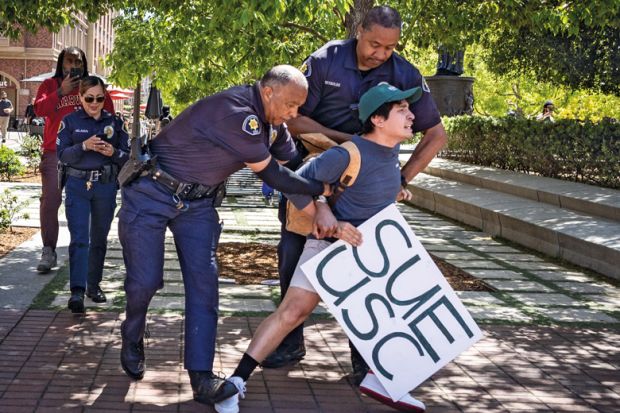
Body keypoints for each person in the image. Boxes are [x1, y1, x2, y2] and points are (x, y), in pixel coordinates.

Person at [118, 65, 330, 407]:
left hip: (199, 204)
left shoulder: (273, 125)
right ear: (268, 92)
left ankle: (202, 378)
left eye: (298, 108)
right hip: (151, 194)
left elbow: (295, 166)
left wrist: (321, 201)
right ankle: (132, 335)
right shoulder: (237, 113)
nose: (295, 114)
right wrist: (321, 189)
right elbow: (276, 176)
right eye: (291, 105)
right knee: (146, 281)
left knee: (205, 285)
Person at [215, 83, 432, 413]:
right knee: (291, 314)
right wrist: (324, 210)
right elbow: (295, 184)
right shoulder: (348, 153)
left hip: (368, 257)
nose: (412, 115)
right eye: (402, 109)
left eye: (408, 108)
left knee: (390, 316)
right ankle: (234, 383)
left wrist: (395, 193)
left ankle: (383, 379)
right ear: (377, 119)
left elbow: (367, 193)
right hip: (329, 252)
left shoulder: (390, 155)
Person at [267, 5, 448, 385]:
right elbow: (293, 118)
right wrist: (352, 143)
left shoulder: (405, 74)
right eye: (374, 44)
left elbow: (436, 135)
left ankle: (367, 358)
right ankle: (289, 342)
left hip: (368, 191)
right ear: (358, 31)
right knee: (293, 258)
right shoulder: (325, 60)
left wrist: (401, 177)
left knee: (370, 275)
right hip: (315, 178)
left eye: (390, 47)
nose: (381, 54)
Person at [33, 46, 114, 274]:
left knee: (87, 203)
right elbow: (39, 110)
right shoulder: (50, 85)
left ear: (84, 64)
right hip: (55, 152)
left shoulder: (93, 87)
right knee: (50, 201)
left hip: (87, 154)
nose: (74, 66)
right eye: (69, 61)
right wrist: (61, 91)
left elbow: (109, 117)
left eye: (78, 62)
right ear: (62, 63)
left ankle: (84, 252)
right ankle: (48, 250)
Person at [57, 76, 129, 313]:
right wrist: (84, 146)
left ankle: (93, 286)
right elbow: (62, 155)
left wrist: (113, 152)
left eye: (99, 98)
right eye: (89, 98)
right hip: (78, 186)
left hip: (105, 186)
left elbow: (128, 158)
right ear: (80, 97)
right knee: (80, 239)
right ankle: (76, 291)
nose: (95, 103)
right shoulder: (70, 121)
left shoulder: (115, 122)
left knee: (99, 238)